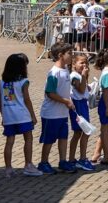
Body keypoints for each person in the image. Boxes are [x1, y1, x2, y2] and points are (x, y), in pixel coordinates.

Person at [0, 52, 42, 177]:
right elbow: (27, 100)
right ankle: (28, 164)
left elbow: (0, 101)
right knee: (28, 139)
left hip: (9, 116)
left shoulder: (3, 82)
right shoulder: (24, 81)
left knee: (9, 141)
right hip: (23, 115)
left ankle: (8, 168)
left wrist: (3, 115)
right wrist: (33, 116)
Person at [37, 42, 75, 174]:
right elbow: (50, 92)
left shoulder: (66, 70)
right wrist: (65, 101)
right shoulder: (54, 73)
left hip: (62, 113)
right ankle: (43, 162)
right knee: (49, 139)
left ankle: (63, 161)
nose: (72, 56)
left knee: (63, 137)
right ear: (60, 55)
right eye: (69, 53)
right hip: (51, 114)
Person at [66, 52, 95, 172]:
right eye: (81, 62)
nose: (84, 65)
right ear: (74, 64)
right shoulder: (74, 76)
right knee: (83, 132)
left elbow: (84, 87)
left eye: (86, 62)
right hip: (78, 106)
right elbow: (81, 90)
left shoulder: (79, 75)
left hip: (83, 104)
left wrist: (86, 80)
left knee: (81, 133)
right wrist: (84, 76)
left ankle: (74, 159)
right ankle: (80, 158)